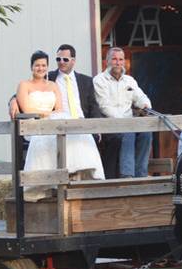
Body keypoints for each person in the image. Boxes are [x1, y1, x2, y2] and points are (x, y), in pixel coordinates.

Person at [17, 50, 104, 200]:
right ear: (31, 67)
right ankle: (46, 181)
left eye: (44, 65)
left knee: (78, 132)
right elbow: (26, 108)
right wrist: (42, 113)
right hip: (34, 122)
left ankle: (78, 172)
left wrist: (52, 116)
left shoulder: (52, 84)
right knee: (48, 136)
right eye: (37, 65)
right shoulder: (25, 85)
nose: (41, 68)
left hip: (53, 119)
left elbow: (59, 108)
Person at [94, 47, 153, 178]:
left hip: (128, 124)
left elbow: (141, 97)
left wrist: (146, 105)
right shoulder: (99, 80)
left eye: (121, 59)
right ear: (106, 62)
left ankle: (140, 174)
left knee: (146, 133)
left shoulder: (129, 80)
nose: (118, 62)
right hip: (110, 125)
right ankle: (127, 175)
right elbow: (104, 106)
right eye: (114, 59)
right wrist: (125, 122)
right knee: (129, 131)